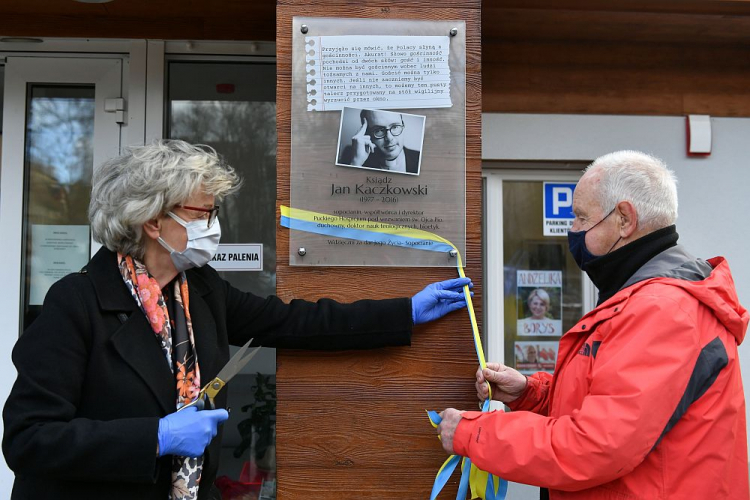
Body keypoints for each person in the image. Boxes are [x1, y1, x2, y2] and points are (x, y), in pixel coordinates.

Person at [2, 140, 471, 500]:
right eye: (202, 212)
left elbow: (294, 322)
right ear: (151, 221)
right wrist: (156, 436)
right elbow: (29, 438)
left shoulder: (199, 290)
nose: (213, 224)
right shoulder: (78, 302)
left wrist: (405, 311)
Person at [437, 150, 749, 499]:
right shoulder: (646, 296)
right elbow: (613, 402)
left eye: (581, 218)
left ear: (624, 220)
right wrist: (530, 392)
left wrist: (474, 434)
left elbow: (597, 445)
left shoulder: (662, 309)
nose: (572, 231)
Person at [342, 109, 420, 174]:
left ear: (403, 126)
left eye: (395, 127)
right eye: (379, 130)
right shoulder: (350, 157)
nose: (389, 138)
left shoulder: (419, 158)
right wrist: (356, 163)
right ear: (366, 133)